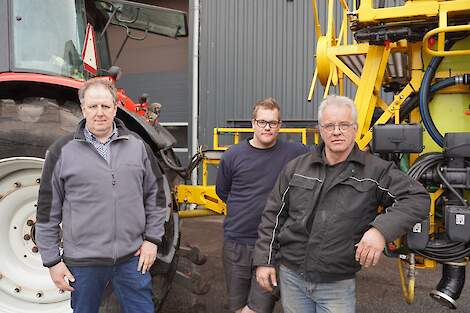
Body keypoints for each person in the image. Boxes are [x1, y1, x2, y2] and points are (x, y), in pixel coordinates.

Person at [253, 95, 430, 313]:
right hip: (292, 277)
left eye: (344, 125)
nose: (336, 131)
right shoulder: (297, 168)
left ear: (355, 128)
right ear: (320, 129)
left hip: (336, 285)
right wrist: (264, 260)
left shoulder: (375, 171)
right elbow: (273, 216)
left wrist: (380, 231)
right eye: (329, 125)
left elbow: (417, 198)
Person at [35, 78, 167, 313]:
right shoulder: (61, 151)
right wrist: (53, 261)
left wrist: (152, 240)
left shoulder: (137, 147)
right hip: (84, 263)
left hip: (131, 259)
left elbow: (156, 197)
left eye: (105, 106)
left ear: (115, 108)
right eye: (93, 106)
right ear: (83, 108)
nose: (99, 113)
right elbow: (47, 212)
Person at [216, 97, 310, 313]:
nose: (267, 127)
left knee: (257, 308)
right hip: (236, 243)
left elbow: (324, 157)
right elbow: (223, 191)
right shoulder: (233, 155)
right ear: (253, 123)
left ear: (280, 125)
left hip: (272, 246)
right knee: (237, 307)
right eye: (262, 122)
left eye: (273, 123)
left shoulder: (295, 153)